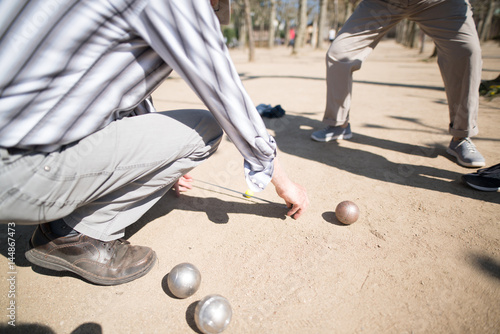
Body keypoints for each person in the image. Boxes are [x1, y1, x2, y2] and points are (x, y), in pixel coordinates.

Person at [0, 0, 309, 286]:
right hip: (16, 175)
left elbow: (116, 83)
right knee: (209, 127)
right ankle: (72, 235)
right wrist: (279, 178)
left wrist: (159, 161)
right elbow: (224, 91)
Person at [311, 0, 486, 168]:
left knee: (467, 52)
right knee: (339, 54)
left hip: (440, 3)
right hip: (383, 2)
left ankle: (461, 136)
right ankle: (338, 124)